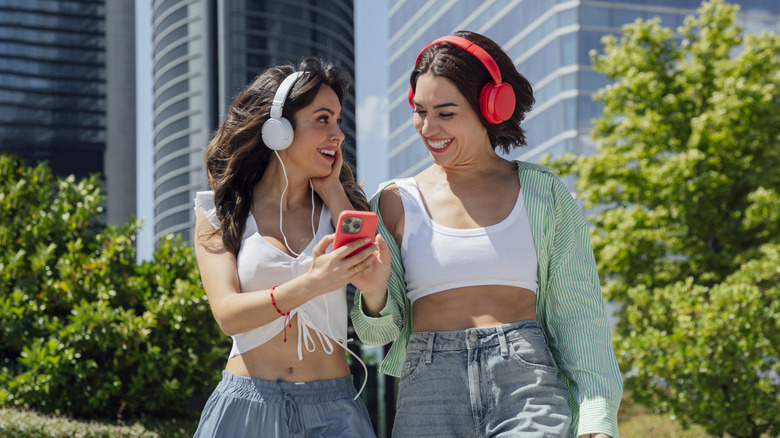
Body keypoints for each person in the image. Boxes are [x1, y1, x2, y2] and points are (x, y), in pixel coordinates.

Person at [351, 31, 623, 438]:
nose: (428, 128)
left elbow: (579, 319)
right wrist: (373, 295)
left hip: (527, 387)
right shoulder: (392, 202)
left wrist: (597, 417)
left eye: (446, 113)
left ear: (491, 109)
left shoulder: (545, 194)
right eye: (419, 111)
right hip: (428, 393)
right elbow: (377, 334)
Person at [192, 57, 389, 437]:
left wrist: (333, 190)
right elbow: (228, 315)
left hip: (334, 411)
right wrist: (312, 283)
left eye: (338, 121)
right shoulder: (221, 212)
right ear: (278, 129)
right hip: (245, 405)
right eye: (322, 119)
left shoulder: (341, 210)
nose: (338, 134)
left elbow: (375, 304)